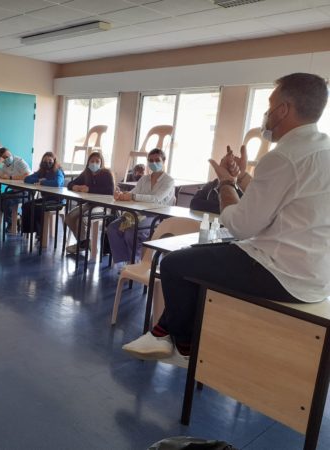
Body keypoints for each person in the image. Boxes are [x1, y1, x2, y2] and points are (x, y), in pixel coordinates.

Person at [123, 72, 330, 369]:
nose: (267, 114)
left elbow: (241, 226)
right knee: (198, 257)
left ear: (283, 109)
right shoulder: (321, 150)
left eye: (270, 106)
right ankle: (161, 332)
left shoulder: (284, 156)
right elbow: (278, 201)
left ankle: (183, 347)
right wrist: (242, 176)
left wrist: (225, 183)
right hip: (316, 276)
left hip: (281, 273)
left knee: (173, 264)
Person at [106, 148, 175, 265]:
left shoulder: (169, 181)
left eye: (157, 160)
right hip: (138, 213)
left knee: (131, 232)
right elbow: (133, 192)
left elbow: (156, 199)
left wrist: (132, 196)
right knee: (112, 228)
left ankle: (134, 262)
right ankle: (125, 261)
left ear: (163, 161)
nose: (154, 163)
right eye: (151, 160)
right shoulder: (144, 179)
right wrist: (121, 195)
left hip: (156, 216)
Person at [65, 151, 115, 254]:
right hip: (89, 204)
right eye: (92, 161)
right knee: (69, 217)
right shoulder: (86, 173)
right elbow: (70, 183)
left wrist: (89, 189)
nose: (94, 163)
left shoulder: (106, 174)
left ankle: (82, 244)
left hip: (103, 206)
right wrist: (75, 186)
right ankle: (84, 243)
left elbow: (109, 191)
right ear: (88, 162)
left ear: (101, 163)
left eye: (97, 161)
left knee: (83, 219)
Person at [21, 151, 65, 239]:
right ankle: (31, 230)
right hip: (46, 199)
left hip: (57, 200)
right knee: (26, 206)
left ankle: (41, 233)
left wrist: (42, 182)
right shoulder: (42, 172)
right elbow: (27, 179)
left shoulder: (58, 171)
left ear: (54, 161)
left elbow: (57, 183)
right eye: (45, 161)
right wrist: (39, 179)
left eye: (50, 161)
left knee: (38, 208)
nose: (47, 163)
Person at [0, 147, 31, 232]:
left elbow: (28, 175)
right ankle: (16, 218)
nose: (7, 158)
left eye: (8, 156)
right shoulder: (4, 166)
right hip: (15, 191)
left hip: (26, 191)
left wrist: (10, 177)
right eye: (4, 157)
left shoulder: (19, 161)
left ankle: (11, 223)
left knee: (7, 201)